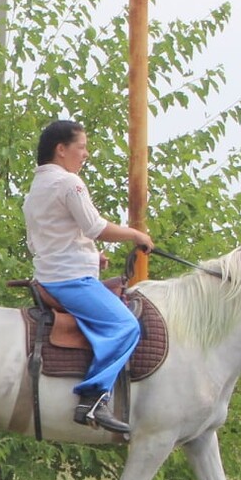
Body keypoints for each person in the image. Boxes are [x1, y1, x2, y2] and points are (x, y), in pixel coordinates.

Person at [24, 119, 153, 435]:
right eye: (81, 147)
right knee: (125, 326)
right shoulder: (70, 184)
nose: (86, 154)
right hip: (70, 281)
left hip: (51, 275)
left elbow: (42, 241)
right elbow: (96, 227)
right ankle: (94, 396)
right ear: (61, 149)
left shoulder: (35, 190)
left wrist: (92, 257)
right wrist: (137, 235)